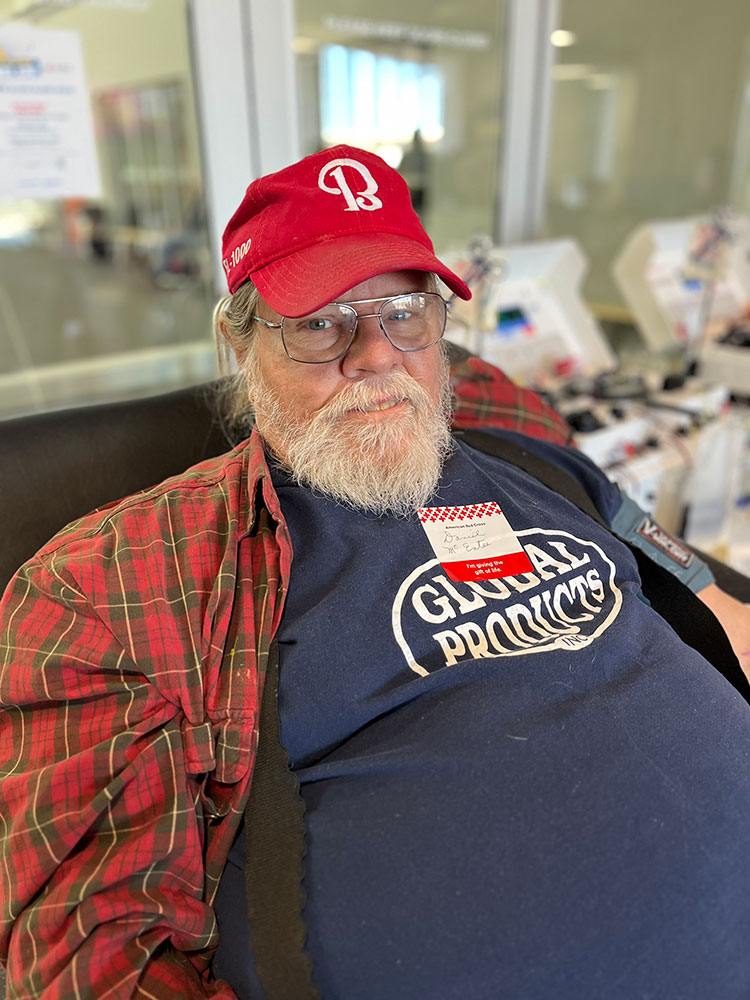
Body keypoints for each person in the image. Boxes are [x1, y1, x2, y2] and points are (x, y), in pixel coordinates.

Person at [2, 145, 750, 1000]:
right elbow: (91, 957)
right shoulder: (123, 584)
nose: (376, 355)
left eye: (405, 312)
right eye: (320, 322)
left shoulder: (542, 465)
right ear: (239, 344)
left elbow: (721, 615)